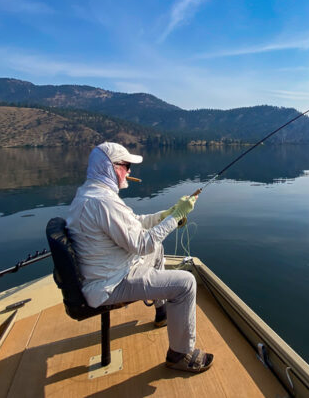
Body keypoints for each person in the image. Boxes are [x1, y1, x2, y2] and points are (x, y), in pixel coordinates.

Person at [66, 141, 213, 373]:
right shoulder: (103, 202)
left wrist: (165, 215)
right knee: (186, 283)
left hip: (107, 272)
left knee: (158, 249)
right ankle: (180, 355)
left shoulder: (92, 194)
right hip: (108, 284)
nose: (130, 171)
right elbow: (142, 243)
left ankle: (161, 310)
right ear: (113, 168)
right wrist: (176, 217)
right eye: (126, 165)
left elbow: (134, 223)